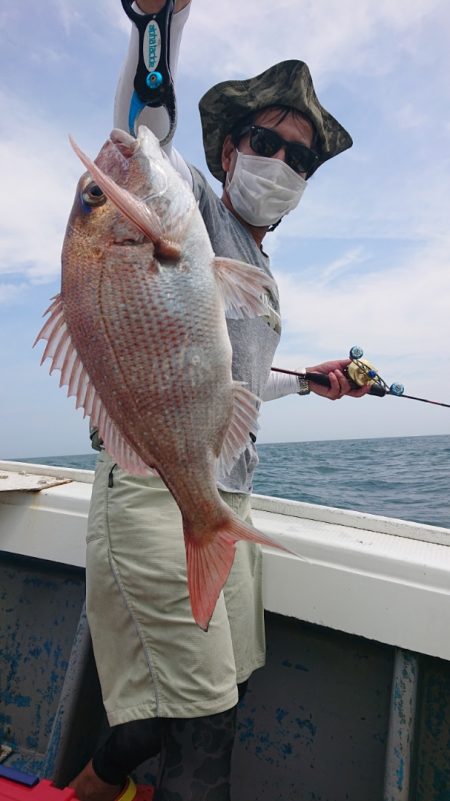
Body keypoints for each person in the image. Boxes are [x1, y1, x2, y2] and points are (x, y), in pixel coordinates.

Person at [69, 2, 368, 800]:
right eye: (266, 143)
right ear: (231, 149)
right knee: (204, 727)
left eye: (300, 158)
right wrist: (155, 28)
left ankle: (81, 793)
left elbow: (227, 380)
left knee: (195, 701)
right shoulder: (189, 209)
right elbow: (142, 138)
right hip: (151, 487)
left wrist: (308, 380)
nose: (281, 163)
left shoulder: (260, 273)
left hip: (216, 490)